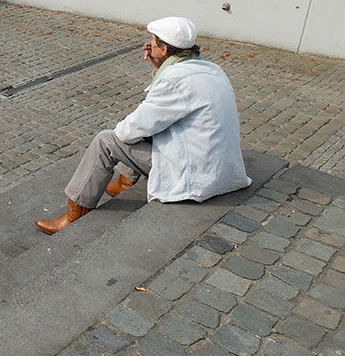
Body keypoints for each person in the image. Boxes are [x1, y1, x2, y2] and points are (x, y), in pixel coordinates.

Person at [36, 16, 251, 235]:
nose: (149, 46)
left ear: (165, 49)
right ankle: (124, 183)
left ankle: (74, 216)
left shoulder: (173, 80)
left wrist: (160, 75)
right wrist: (159, 69)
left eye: (153, 42)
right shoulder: (213, 70)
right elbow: (160, 112)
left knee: (106, 141)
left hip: (195, 178)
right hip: (221, 168)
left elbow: (130, 129)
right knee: (149, 128)